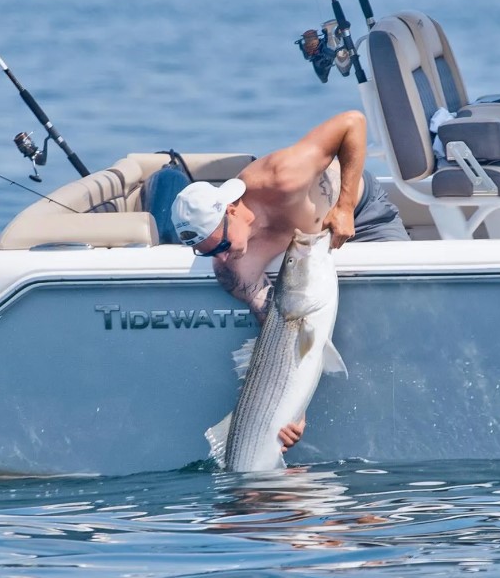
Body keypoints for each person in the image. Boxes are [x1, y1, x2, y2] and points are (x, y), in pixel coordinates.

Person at [170, 109, 409, 449]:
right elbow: (280, 338)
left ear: (232, 209)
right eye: (208, 253)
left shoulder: (282, 177)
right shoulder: (234, 269)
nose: (221, 258)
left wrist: (343, 207)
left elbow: (353, 122)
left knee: (405, 298)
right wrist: (293, 411)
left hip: (362, 213)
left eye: (221, 245)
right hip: (316, 259)